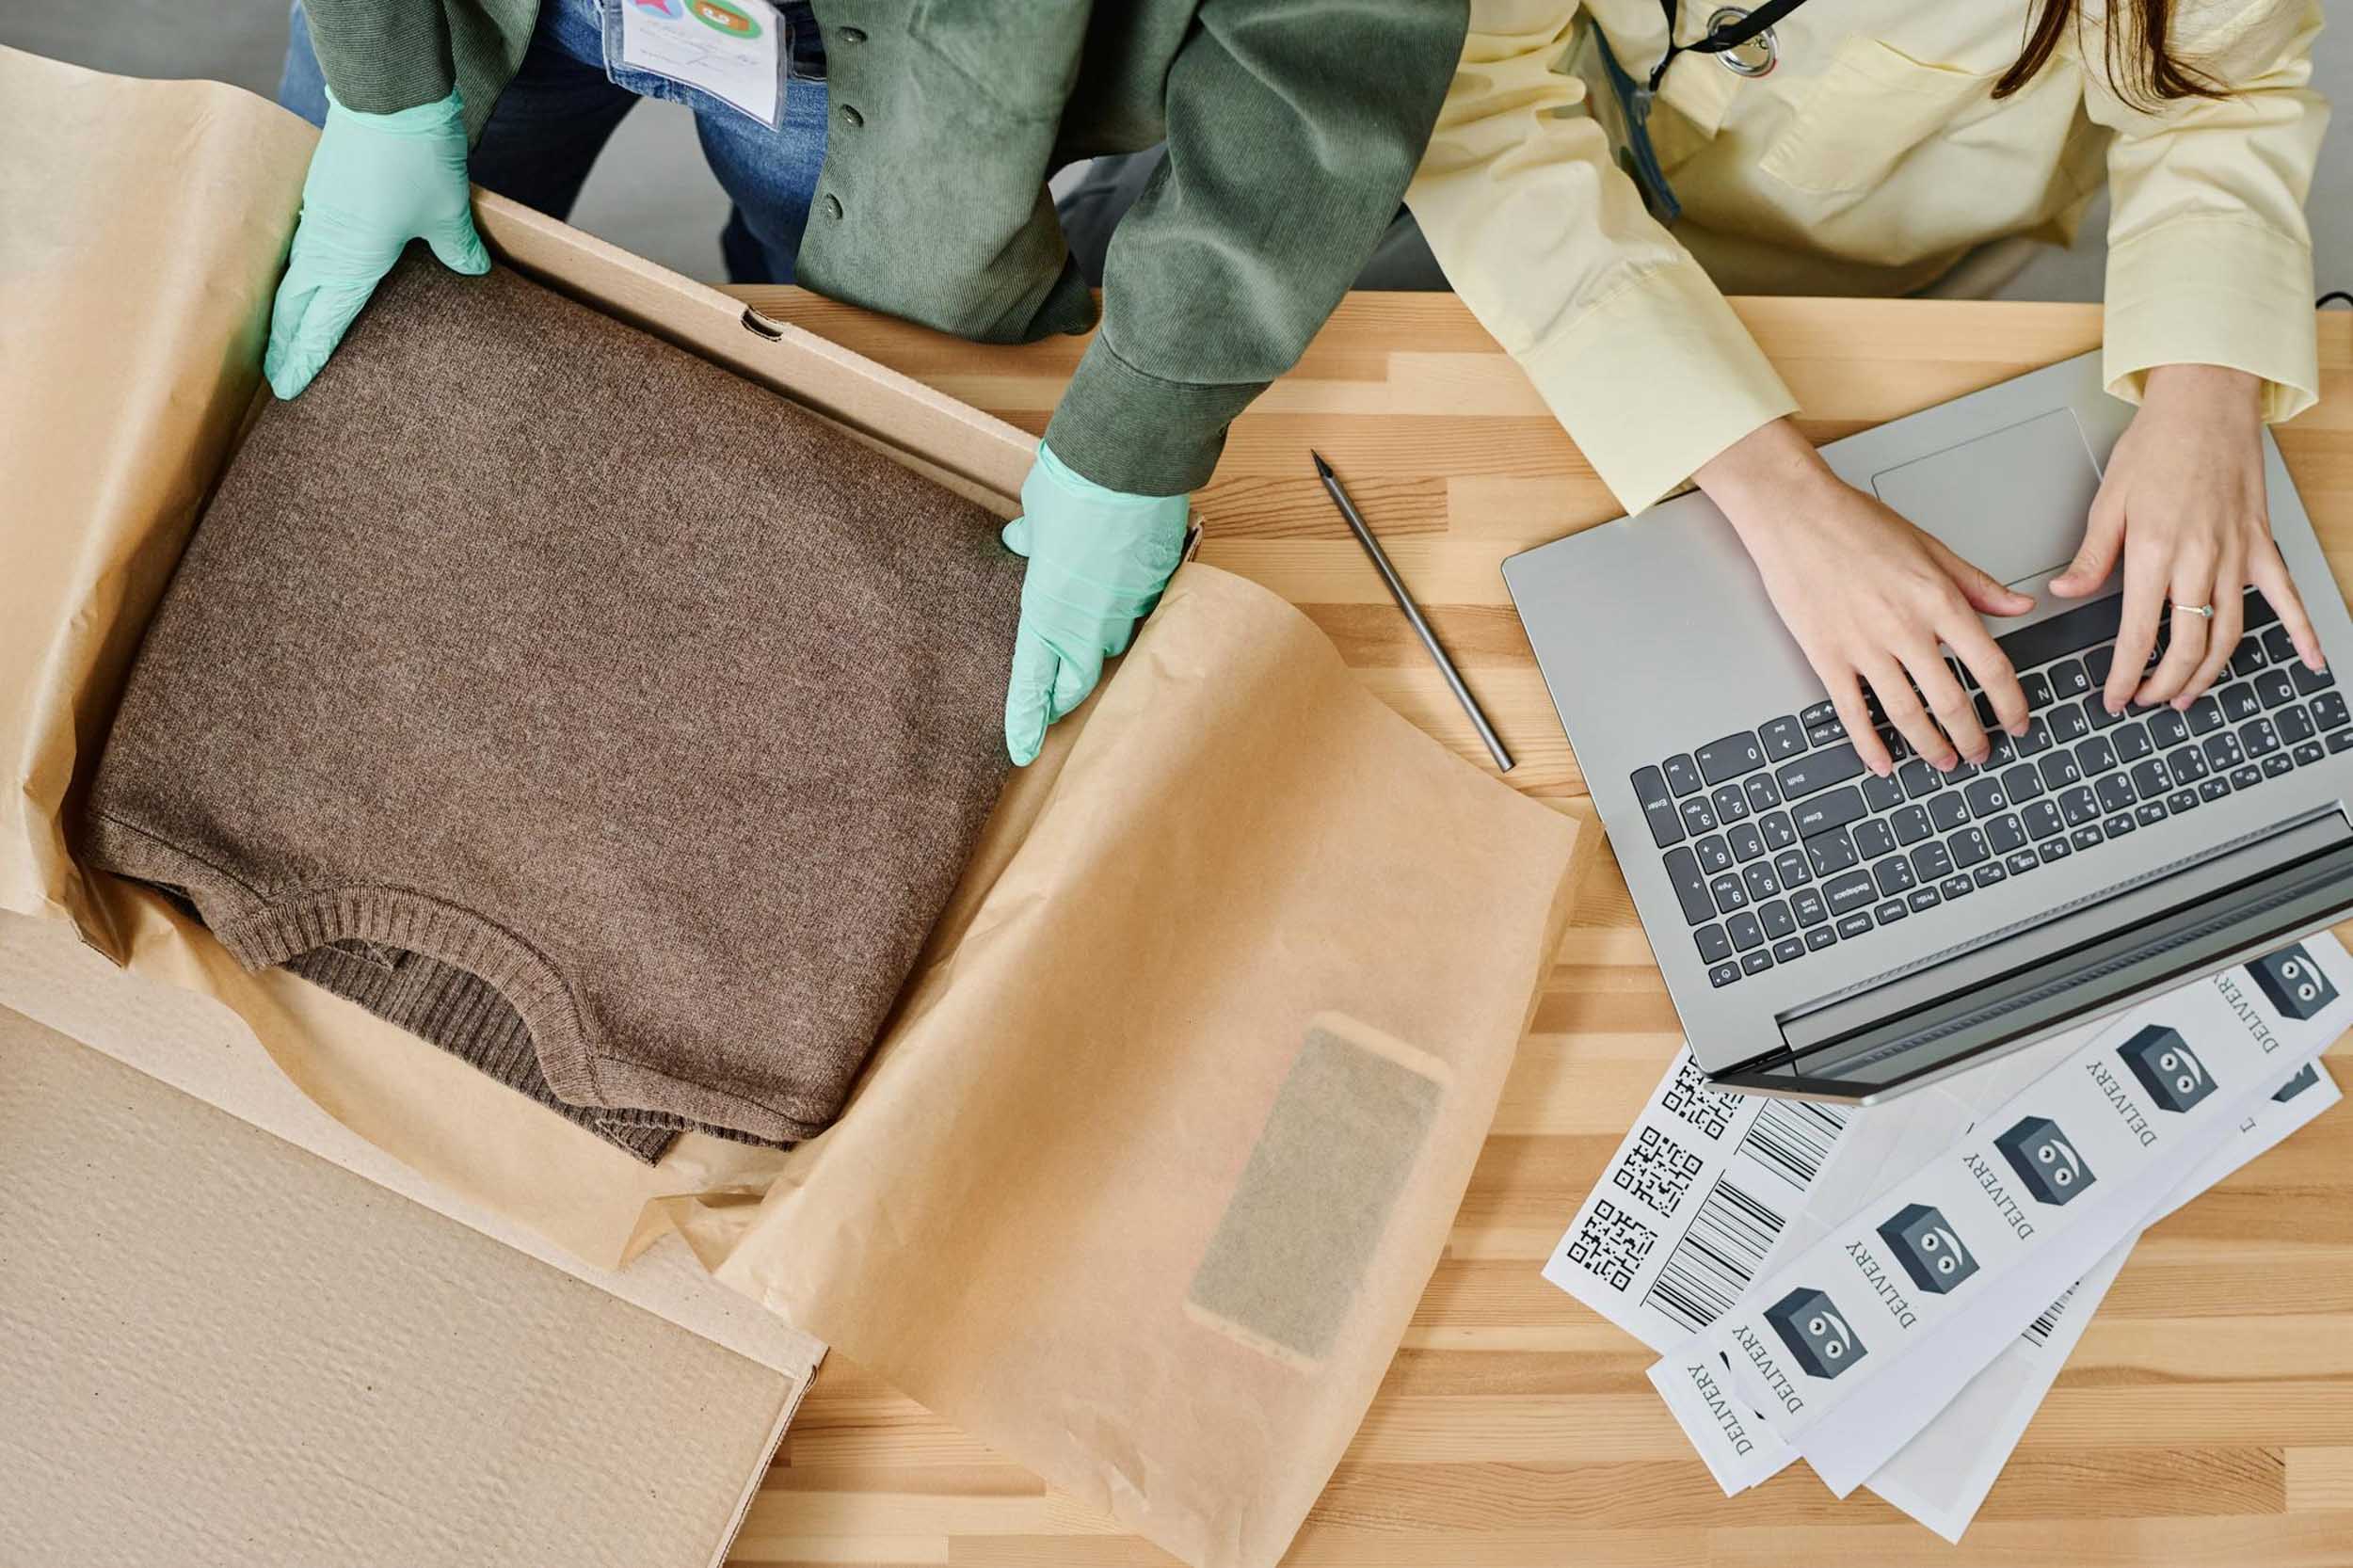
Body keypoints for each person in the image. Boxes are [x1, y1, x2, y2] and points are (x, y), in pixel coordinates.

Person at [264, 0, 1468, 763]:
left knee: (818, 348)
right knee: (339, 362)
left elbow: (1336, 24)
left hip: (885, 75)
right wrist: (380, 79)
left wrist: (1152, 405)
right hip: (468, 15)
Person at [1409, 0, 2330, 779]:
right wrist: (1779, 497)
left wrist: (2208, 390)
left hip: (1907, 259)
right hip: (1586, 180)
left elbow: (2221, 102)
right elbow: (1482, 103)